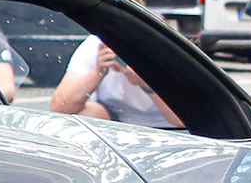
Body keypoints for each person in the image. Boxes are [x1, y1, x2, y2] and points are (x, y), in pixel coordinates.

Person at [51, 36, 182, 128]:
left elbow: (182, 119)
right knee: (84, 113)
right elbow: (59, 107)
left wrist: (147, 85)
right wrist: (98, 72)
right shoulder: (93, 46)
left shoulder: (159, 48)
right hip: (117, 124)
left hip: (167, 126)